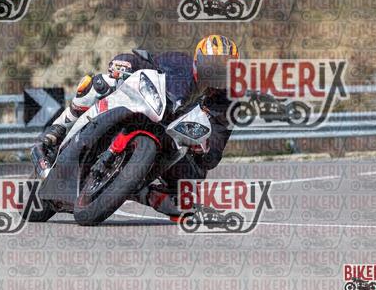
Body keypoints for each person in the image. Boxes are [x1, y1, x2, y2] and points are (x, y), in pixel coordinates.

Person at [34, 35, 239, 218]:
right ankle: (59, 128)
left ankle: (145, 193)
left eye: (223, 69)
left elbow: (215, 149)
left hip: (173, 140)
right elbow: (144, 60)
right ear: (198, 60)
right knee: (101, 84)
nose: (216, 73)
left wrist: (204, 149)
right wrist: (124, 63)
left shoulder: (226, 102)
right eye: (212, 66)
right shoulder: (178, 62)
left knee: (188, 192)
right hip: (148, 109)